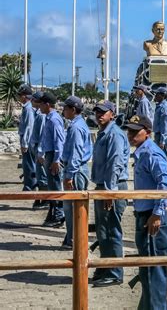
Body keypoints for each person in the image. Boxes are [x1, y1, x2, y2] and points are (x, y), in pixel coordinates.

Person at [123, 115, 167, 309]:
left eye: (136, 132)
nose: (131, 135)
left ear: (147, 133)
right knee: (147, 272)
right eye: (129, 131)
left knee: (154, 274)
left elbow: (166, 184)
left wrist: (158, 213)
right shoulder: (142, 152)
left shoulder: (151, 153)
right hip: (144, 215)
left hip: (152, 218)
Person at [91, 100, 130, 287]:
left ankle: (115, 271)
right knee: (103, 230)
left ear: (112, 114)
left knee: (112, 230)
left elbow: (115, 163)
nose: (99, 115)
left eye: (103, 112)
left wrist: (109, 191)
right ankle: (105, 266)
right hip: (103, 186)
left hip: (112, 186)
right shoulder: (103, 133)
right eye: (97, 112)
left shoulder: (114, 134)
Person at [60, 96, 92, 249]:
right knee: (72, 207)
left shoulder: (76, 127)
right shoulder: (78, 124)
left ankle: (75, 240)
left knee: (73, 207)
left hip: (76, 170)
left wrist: (69, 175)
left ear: (73, 110)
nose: (63, 111)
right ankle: (72, 237)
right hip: (77, 168)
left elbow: (76, 153)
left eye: (65, 108)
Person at [37, 92, 65, 228]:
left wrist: (56, 160)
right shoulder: (49, 118)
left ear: (47, 104)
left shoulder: (54, 119)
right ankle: (54, 213)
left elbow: (59, 140)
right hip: (49, 154)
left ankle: (59, 215)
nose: (39, 106)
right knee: (52, 186)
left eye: (41, 103)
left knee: (55, 186)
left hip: (53, 155)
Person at [30, 92, 48, 208]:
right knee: (39, 174)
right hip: (37, 147)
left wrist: (40, 152)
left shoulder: (41, 116)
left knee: (42, 175)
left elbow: (42, 135)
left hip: (40, 148)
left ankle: (45, 199)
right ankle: (42, 198)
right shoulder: (38, 113)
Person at [17, 84, 36, 192]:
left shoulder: (28, 109)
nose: (19, 97)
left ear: (25, 96)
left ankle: (30, 187)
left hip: (28, 141)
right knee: (27, 164)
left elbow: (29, 126)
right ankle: (29, 186)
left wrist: (25, 143)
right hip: (27, 140)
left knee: (29, 165)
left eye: (20, 95)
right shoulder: (27, 107)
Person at [153, 87, 167, 161]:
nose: (155, 96)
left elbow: (164, 125)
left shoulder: (164, 108)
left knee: (163, 160)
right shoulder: (160, 106)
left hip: (163, 136)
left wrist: (162, 141)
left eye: (157, 94)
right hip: (160, 135)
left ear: (163, 96)